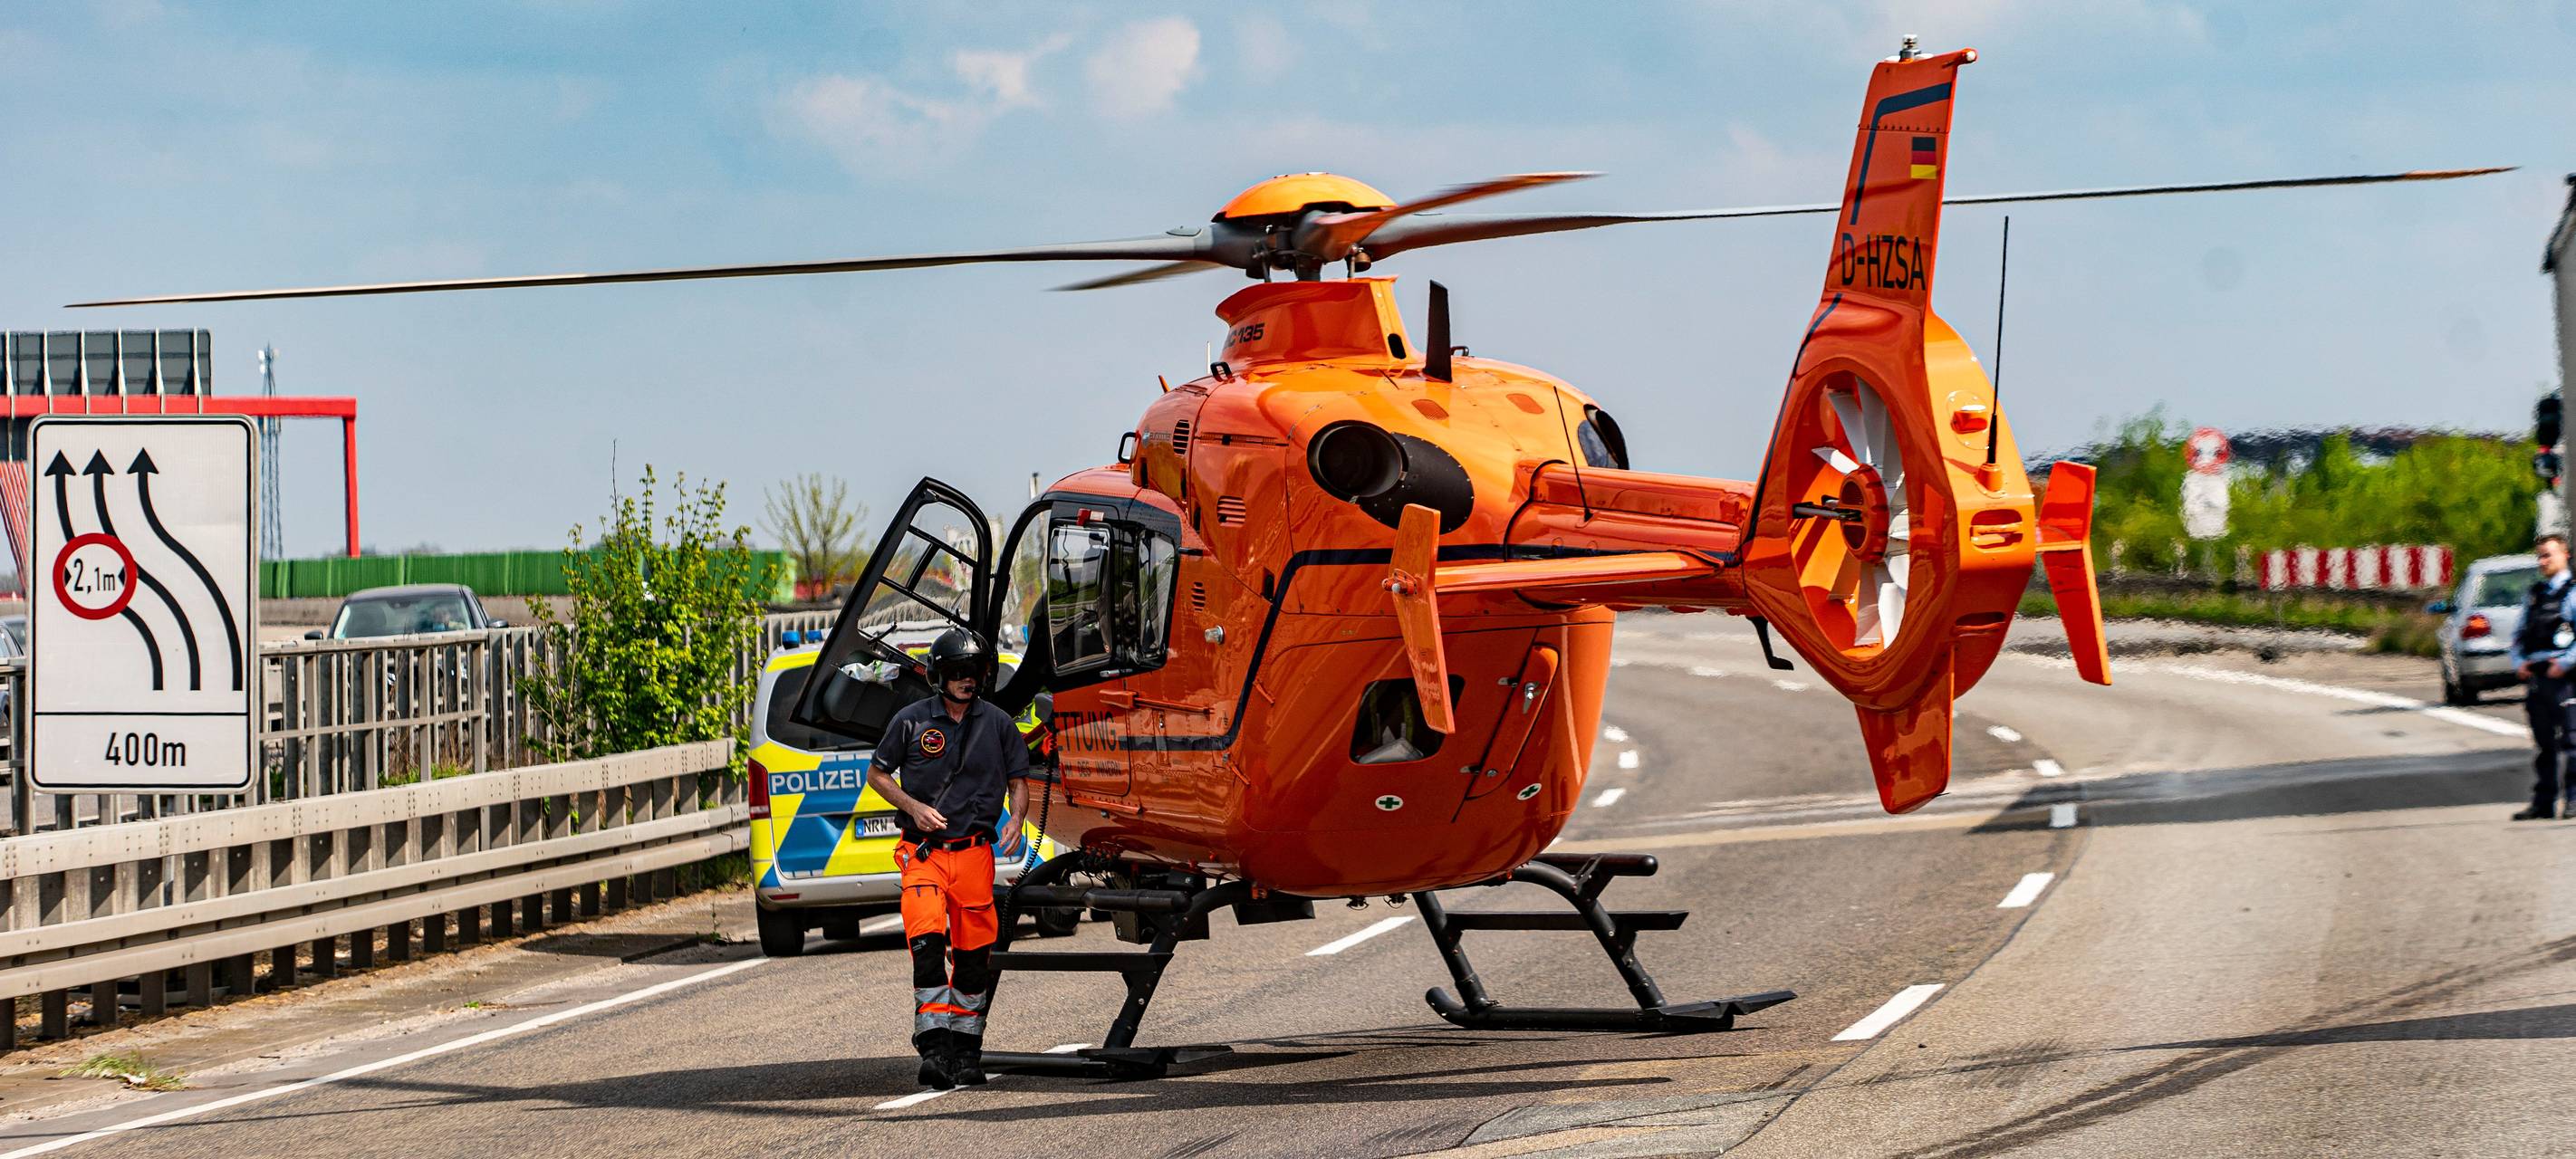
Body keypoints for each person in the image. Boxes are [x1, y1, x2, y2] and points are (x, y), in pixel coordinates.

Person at [866, 628, 1031, 1088]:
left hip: (975, 856)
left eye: (974, 672)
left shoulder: (998, 723)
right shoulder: (911, 721)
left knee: (975, 960)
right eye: (958, 672)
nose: (967, 680)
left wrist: (1016, 819)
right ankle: (934, 1050)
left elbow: (1020, 778)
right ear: (940, 676)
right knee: (927, 947)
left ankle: (967, 1052)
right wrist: (912, 807)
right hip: (923, 855)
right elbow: (877, 773)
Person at [2512, 533, 2576, 820]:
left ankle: (2574, 800)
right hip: (2539, 676)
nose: (2543, 561)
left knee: (2573, 742)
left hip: (2566, 678)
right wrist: (2520, 662)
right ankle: (2544, 802)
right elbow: (2519, 635)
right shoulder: (2536, 594)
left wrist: (2564, 663)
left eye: (2548, 555)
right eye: (2540, 556)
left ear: (2565, 555)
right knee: (2544, 744)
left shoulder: (2573, 594)